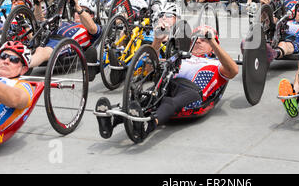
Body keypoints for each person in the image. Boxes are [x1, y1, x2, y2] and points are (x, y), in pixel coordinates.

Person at [95, 24, 238, 141]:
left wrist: (212, 40)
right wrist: (157, 40)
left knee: (171, 101)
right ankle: (112, 119)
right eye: (196, 38)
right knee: (146, 97)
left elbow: (233, 71)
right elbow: (151, 66)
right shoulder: (181, 57)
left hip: (192, 91)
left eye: (204, 39)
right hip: (168, 84)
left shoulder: (216, 63)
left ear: (213, 45)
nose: (199, 41)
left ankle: (148, 126)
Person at [29, 0, 102, 69]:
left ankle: (23, 64)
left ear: (92, 15)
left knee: (41, 51)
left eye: (85, 10)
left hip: (62, 43)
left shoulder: (93, 27)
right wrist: (37, 4)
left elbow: (93, 29)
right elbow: (41, 21)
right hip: (45, 37)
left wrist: (77, 7)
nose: (78, 12)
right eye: (76, 10)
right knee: (28, 29)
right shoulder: (66, 22)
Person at [0, 41, 34, 140]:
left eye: (14, 60)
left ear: (24, 69)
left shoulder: (23, 85)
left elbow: (16, 99)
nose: (6, 61)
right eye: (3, 56)